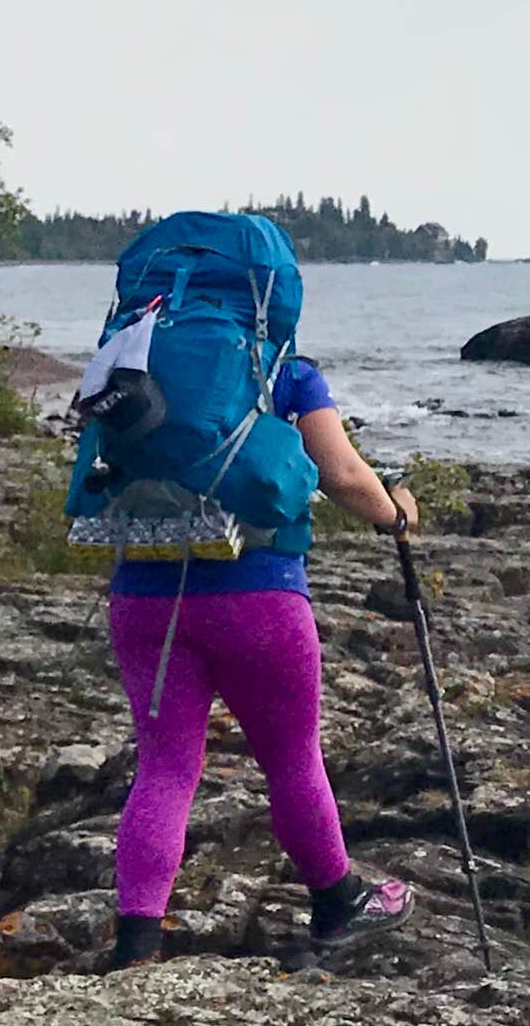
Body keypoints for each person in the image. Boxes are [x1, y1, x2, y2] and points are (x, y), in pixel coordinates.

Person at [106, 348, 417, 971]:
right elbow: (344, 476)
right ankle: (337, 900)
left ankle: (136, 947)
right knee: (291, 756)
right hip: (258, 596)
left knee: (164, 767)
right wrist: (397, 515)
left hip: (143, 596)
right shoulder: (287, 375)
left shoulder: (131, 365)